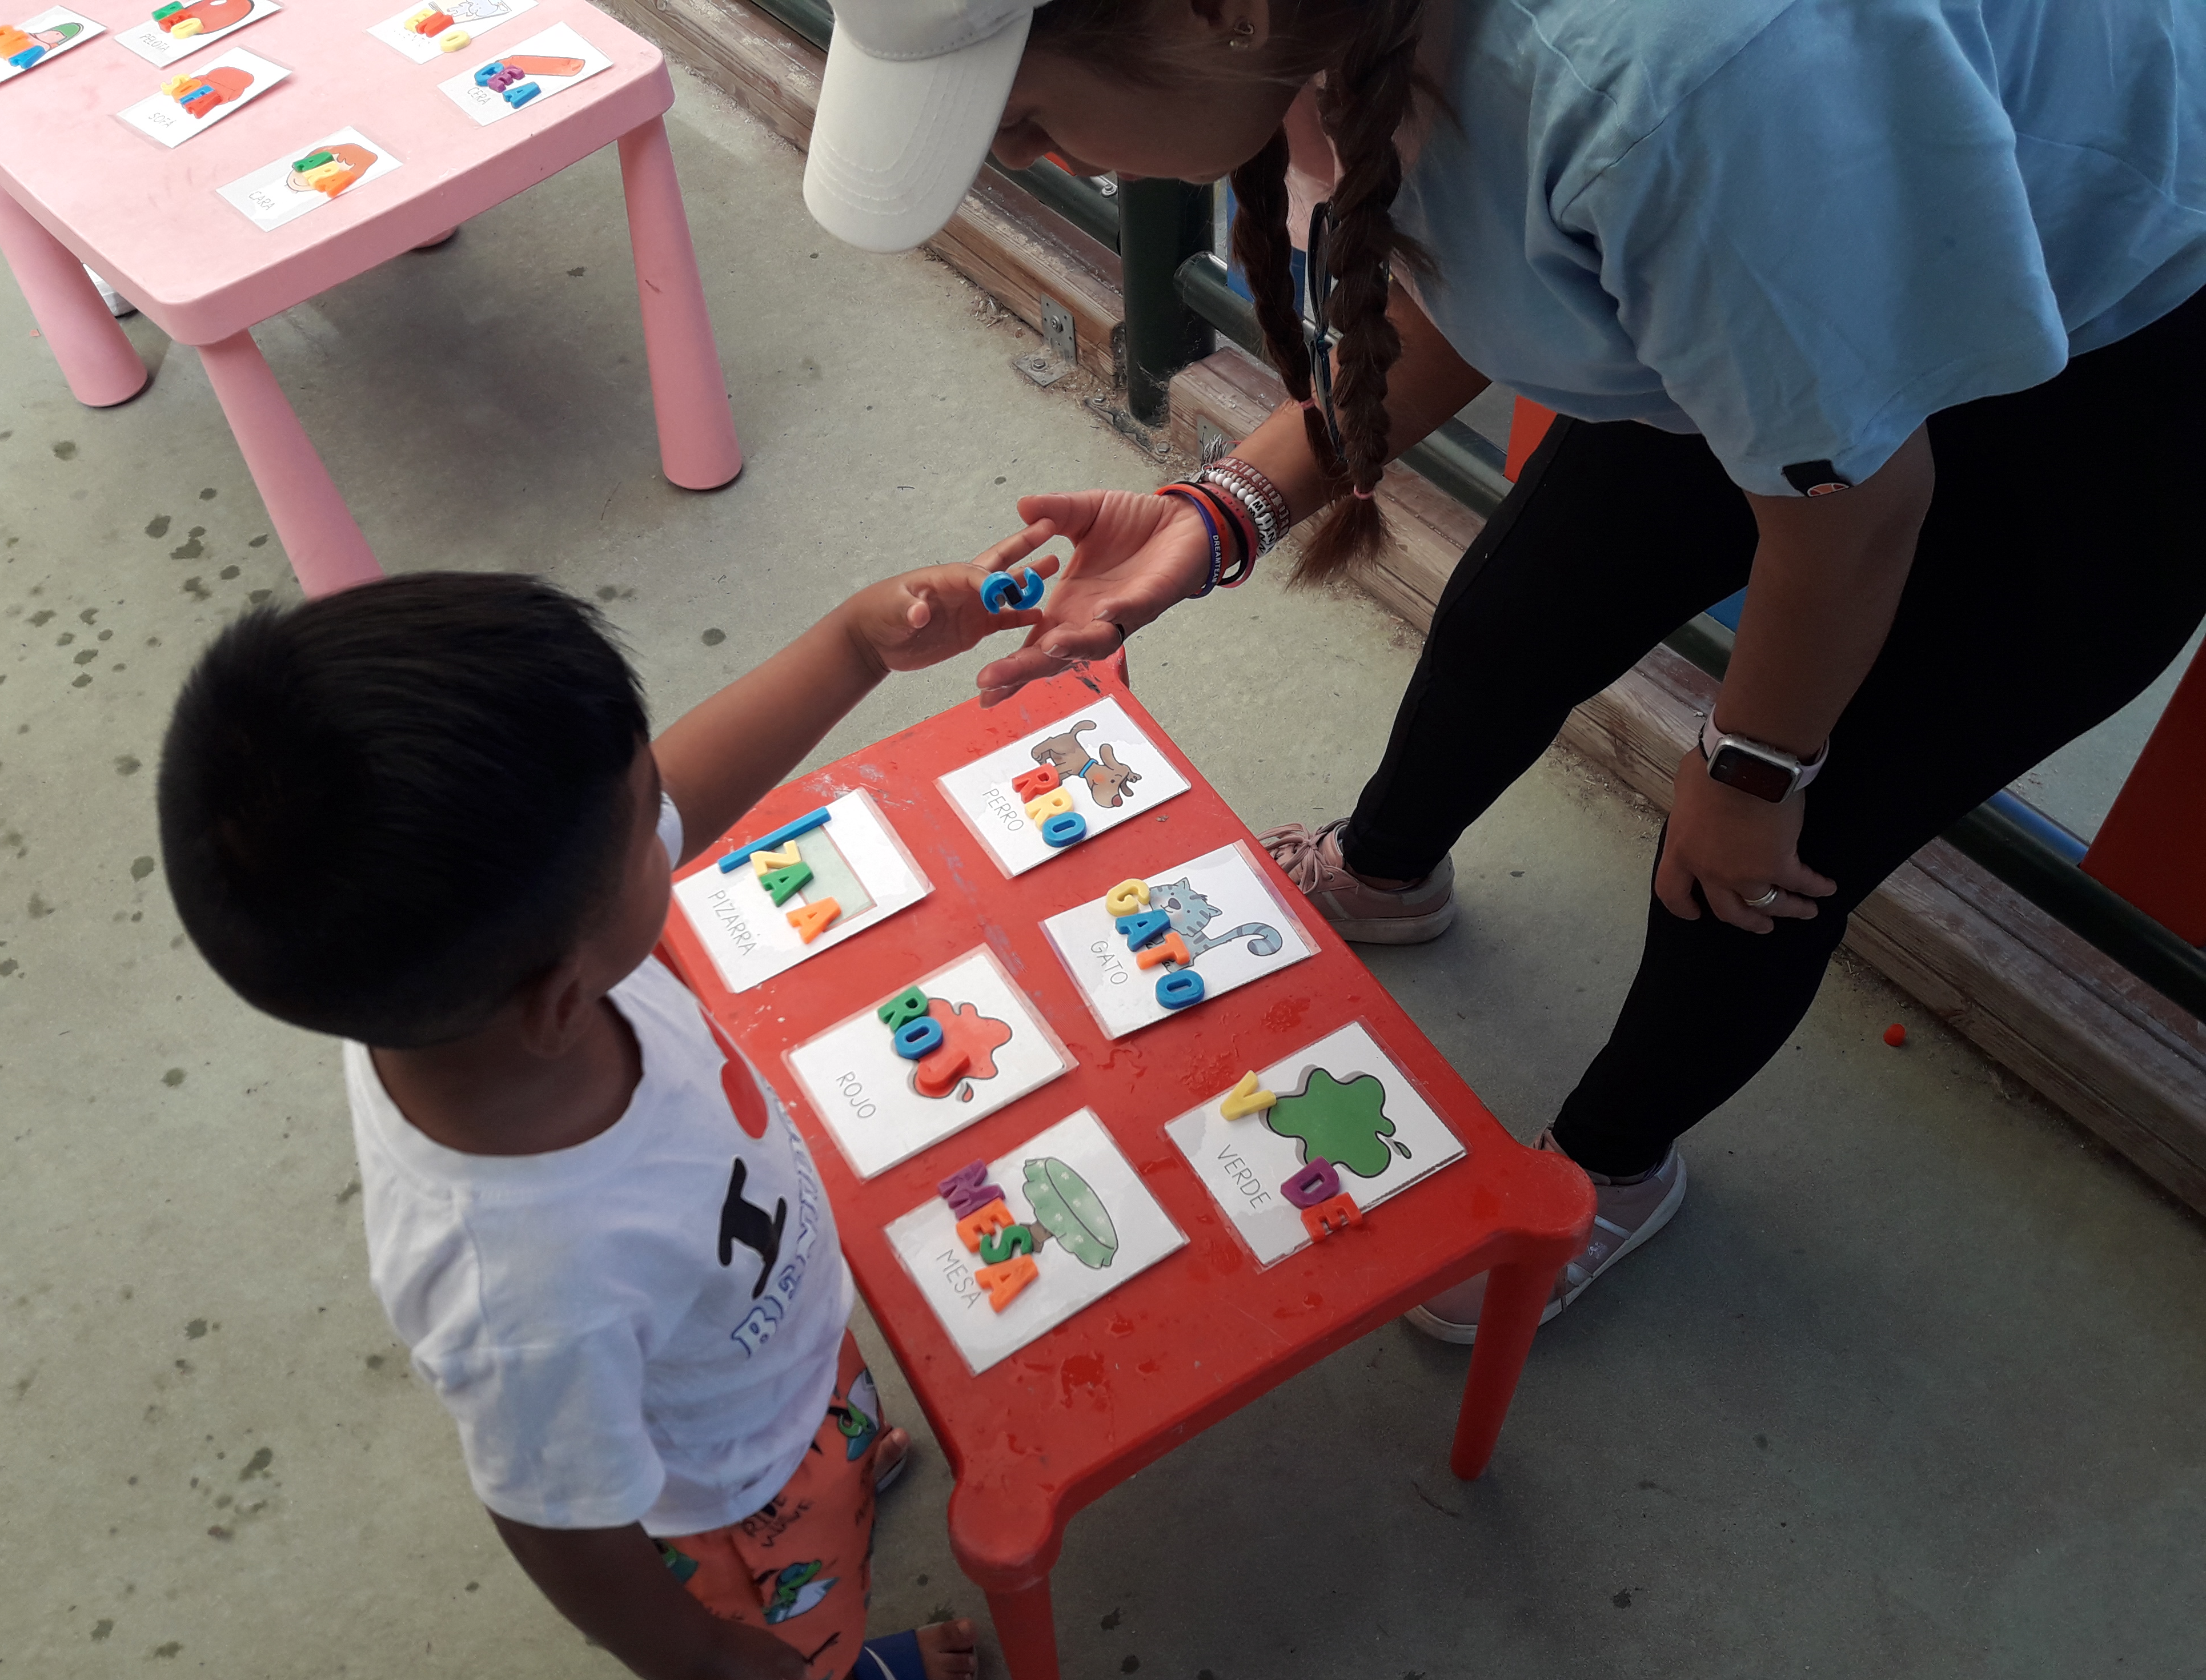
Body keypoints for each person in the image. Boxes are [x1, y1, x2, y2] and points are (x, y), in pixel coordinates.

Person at [799, 0, 2206, 1340]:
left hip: (2123, 348)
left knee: (1773, 856)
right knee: (1514, 616)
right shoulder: (1362, 51)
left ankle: (1608, 1167)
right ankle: (1386, 873)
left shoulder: (1661, 97)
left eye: (1027, 121)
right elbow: (1497, 284)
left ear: (1218, 12)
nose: (1026, 162)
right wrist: (1217, 511)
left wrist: (1751, 765)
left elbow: (1854, 515)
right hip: (1792, 258)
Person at [153, 535, 1057, 1680]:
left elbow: (665, 796)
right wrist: (698, 1666)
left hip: (762, 1345)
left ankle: (835, 1468)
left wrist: (856, 646)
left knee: (830, 1441)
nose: (667, 820)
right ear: (562, 1001)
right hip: (727, 1500)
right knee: (797, 1634)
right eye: (643, 830)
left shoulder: (466, 985)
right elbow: (557, 1518)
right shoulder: (519, 1292)